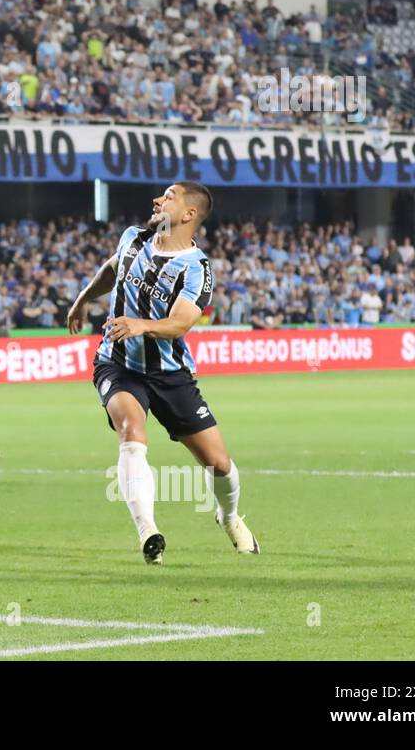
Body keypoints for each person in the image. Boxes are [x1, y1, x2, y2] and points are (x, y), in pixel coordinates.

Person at [66, 182, 260, 565]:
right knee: (130, 433)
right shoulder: (133, 238)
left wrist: (142, 325)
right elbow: (111, 268)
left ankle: (230, 516)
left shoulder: (197, 268)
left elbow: (182, 323)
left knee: (219, 464)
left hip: (170, 375)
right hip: (118, 364)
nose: (158, 200)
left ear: (189, 214)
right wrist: (84, 298)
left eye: (169, 196)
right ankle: (148, 533)